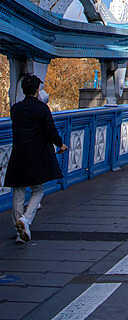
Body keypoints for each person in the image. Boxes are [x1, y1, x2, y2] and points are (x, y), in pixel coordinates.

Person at [6, 74, 68, 243]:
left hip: (19, 154)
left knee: (18, 191)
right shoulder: (42, 109)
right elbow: (50, 130)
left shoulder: (16, 109)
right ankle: (25, 220)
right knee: (38, 190)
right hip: (37, 155)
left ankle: (20, 232)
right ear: (37, 90)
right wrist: (61, 145)